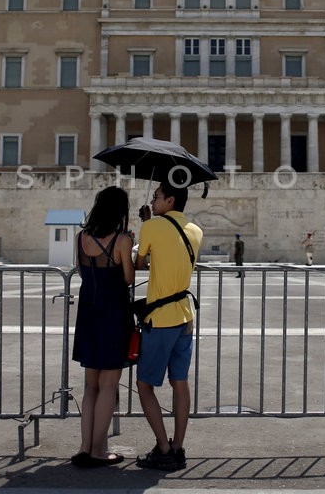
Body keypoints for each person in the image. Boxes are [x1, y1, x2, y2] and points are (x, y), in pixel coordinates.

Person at [134, 181, 203, 471]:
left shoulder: (152, 227)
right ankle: (178, 447)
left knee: (144, 385)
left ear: (170, 200)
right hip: (185, 316)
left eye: (157, 197)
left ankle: (162, 448)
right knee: (180, 382)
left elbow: (139, 264)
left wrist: (145, 225)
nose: (153, 201)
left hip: (160, 319)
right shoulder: (196, 231)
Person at [70, 186, 135, 468]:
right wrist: (131, 246)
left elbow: (82, 267)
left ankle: (85, 447)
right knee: (109, 384)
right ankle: (97, 451)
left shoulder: (81, 237)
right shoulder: (121, 239)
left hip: (88, 311)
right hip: (113, 312)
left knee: (90, 385)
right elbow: (128, 278)